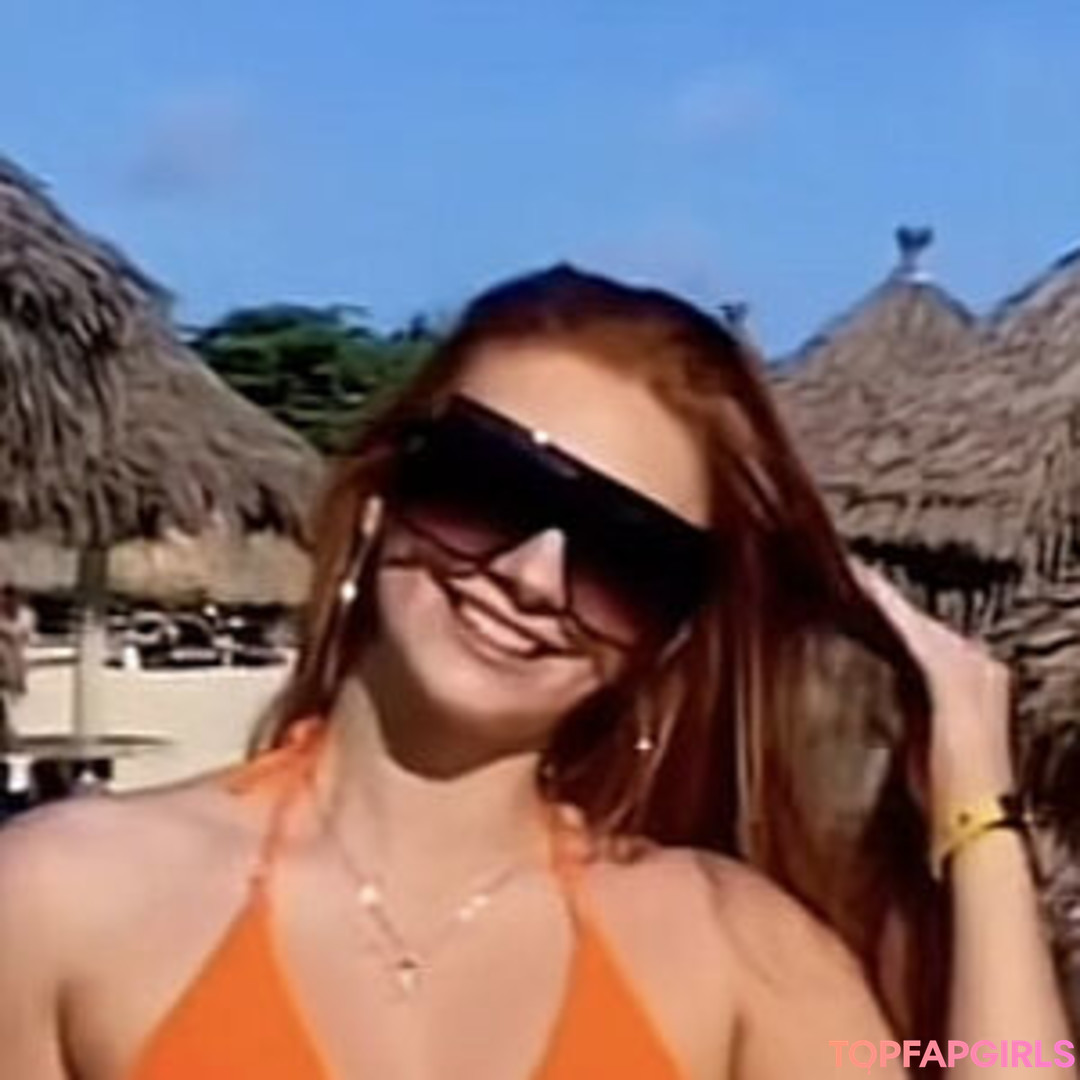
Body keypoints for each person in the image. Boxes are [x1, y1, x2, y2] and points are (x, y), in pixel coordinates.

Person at [0, 266, 1071, 1079]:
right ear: (380, 501)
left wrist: (979, 808)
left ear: (666, 633)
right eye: (492, 490)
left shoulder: (724, 946)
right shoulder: (68, 895)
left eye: (624, 557)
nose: (532, 575)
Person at [0, 584, 34, 752]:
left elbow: (20, 635)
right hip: (6, 664)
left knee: (9, 707)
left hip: (13, 664)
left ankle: (10, 742)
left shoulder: (26, 615)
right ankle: (10, 741)